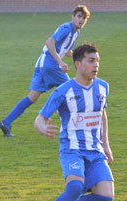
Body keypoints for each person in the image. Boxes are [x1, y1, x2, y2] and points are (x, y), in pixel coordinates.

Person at [34, 43, 114, 201]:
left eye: (97, 60)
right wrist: (43, 128)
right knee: (75, 187)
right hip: (72, 149)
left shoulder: (103, 87)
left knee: (106, 196)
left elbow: (102, 114)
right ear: (78, 64)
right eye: (91, 60)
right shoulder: (63, 91)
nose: (96, 65)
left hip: (95, 150)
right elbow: (39, 119)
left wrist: (106, 145)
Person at [0, 5, 90, 137]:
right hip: (50, 64)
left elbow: (66, 50)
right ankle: (76, 127)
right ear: (73, 17)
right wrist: (60, 62)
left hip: (41, 65)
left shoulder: (76, 32)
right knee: (71, 90)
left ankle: (6, 122)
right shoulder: (66, 28)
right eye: (79, 17)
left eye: (84, 18)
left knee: (33, 97)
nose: (81, 20)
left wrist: (82, 55)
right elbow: (49, 42)